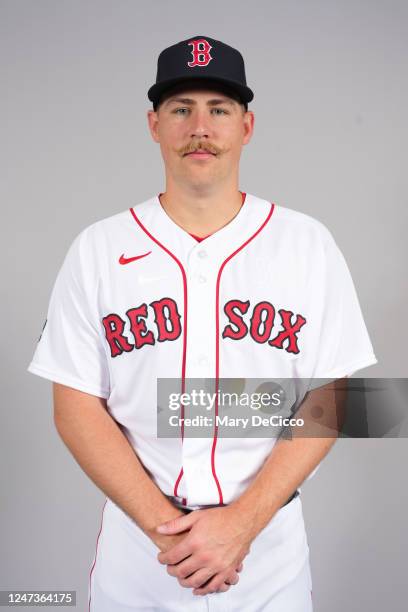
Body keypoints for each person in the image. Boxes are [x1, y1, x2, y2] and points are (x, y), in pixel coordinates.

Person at [27, 35, 377, 611]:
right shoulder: (98, 248)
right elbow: (74, 404)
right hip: (142, 550)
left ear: (247, 125)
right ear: (154, 124)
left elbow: (337, 395)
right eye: (180, 109)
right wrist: (168, 530)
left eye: (219, 109)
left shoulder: (307, 243)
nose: (200, 126)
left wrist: (242, 523)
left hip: (268, 547)